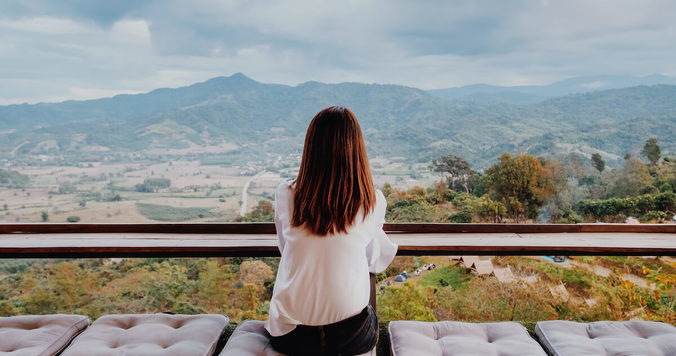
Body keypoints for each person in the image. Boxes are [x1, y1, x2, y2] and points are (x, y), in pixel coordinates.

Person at [265, 106, 398, 355]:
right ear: (356, 150)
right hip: (350, 338)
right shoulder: (373, 201)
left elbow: (286, 250)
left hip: (291, 337)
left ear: (311, 147)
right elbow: (374, 261)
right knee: (368, 315)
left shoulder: (286, 194)